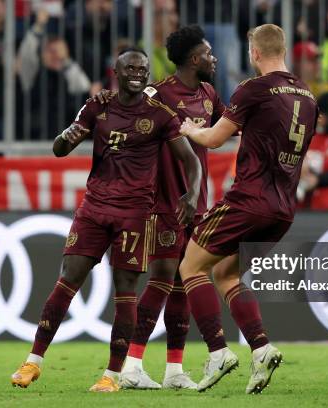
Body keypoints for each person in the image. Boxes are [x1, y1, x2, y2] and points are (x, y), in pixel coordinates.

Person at [10, 47, 202, 393]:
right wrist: (64, 139)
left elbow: (191, 160)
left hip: (134, 213)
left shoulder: (160, 114)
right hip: (95, 207)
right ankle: (33, 361)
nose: (137, 74)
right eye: (130, 68)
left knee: (125, 290)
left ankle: (112, 376)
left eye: (142, 69)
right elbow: (61, 147)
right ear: (116, 71)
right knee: (68, 278)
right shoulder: (98, 105)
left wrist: (191, 194)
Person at [178, 24, 318, 394]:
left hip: (249, 200)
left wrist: (190, 128)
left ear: (254, 53)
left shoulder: (253, 88)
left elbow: (214, 139)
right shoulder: (307, 96)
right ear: (284, 50)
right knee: (226, 275)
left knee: (191, 267)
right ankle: (261, 349)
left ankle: (218, 351)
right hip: (283, 208)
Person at [118, 24, 225, 390]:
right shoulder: (158, 94)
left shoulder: (210, 93)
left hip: (197, 201)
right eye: (209, 54)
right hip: (163, 201)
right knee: (163, 278)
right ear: (195, 59)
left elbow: (230, 125)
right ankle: (131, 365)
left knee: (184, 281)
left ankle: (174, 370)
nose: (215, 58)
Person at [17, 8, 92, 139]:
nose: (53, 51)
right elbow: (27, 55)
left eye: (56, 47)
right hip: (34, 141)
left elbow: (84, 88)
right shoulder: (32, 73)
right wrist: (38, 28)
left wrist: (65, 60)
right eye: (48, 48)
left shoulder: (69, 70)